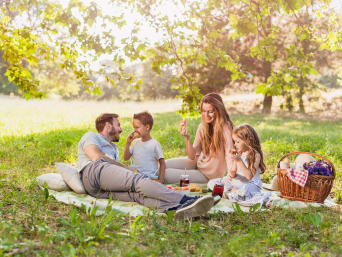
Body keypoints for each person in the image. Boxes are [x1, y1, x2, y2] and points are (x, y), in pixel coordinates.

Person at [77, 113, 214, 219]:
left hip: (97, 190)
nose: (121, 129)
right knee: (138, 180)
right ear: (108, 126)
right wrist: (128, 169)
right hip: (93, 171)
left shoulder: (113, 148)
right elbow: (96, 156)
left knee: (137, 195)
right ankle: (186, 200)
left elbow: (114, 171)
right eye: (118, 125)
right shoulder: (91, 136)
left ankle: (176, 209)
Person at [164, 93, 234, 184]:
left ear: (219, 111)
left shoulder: (226, 128)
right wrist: (187, 138)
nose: (206, 115)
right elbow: (192, 156)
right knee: (162, 165)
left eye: (210, 111)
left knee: (165, 174)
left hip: (208, 176)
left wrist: (231, 176)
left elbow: (230, 155)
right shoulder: (203, 126)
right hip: (197, 163)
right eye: (204, 111)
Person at [207, 124, 266, 202]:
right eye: (234, 141)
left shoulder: (255, 155)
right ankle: (229, 193)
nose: (235, 144)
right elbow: (233, 172)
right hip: (238, 181)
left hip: (250, 184)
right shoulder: (240, 154)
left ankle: (229, 194)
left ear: (248, 141)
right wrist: (230, 174)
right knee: (213, 183)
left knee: (243, 191)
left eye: (238, 142)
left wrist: (239, 161)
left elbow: (249, 176)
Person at [123, 111, 165, 183]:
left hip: (150, 178)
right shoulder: (135, 142)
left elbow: (162, 163)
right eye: (134, 127)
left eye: (137, 127)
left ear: (147, 127)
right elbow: (126, 158)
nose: (135, 130)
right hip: (136, 178)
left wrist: (160, 180)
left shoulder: (155, 144)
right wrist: (128, 143)